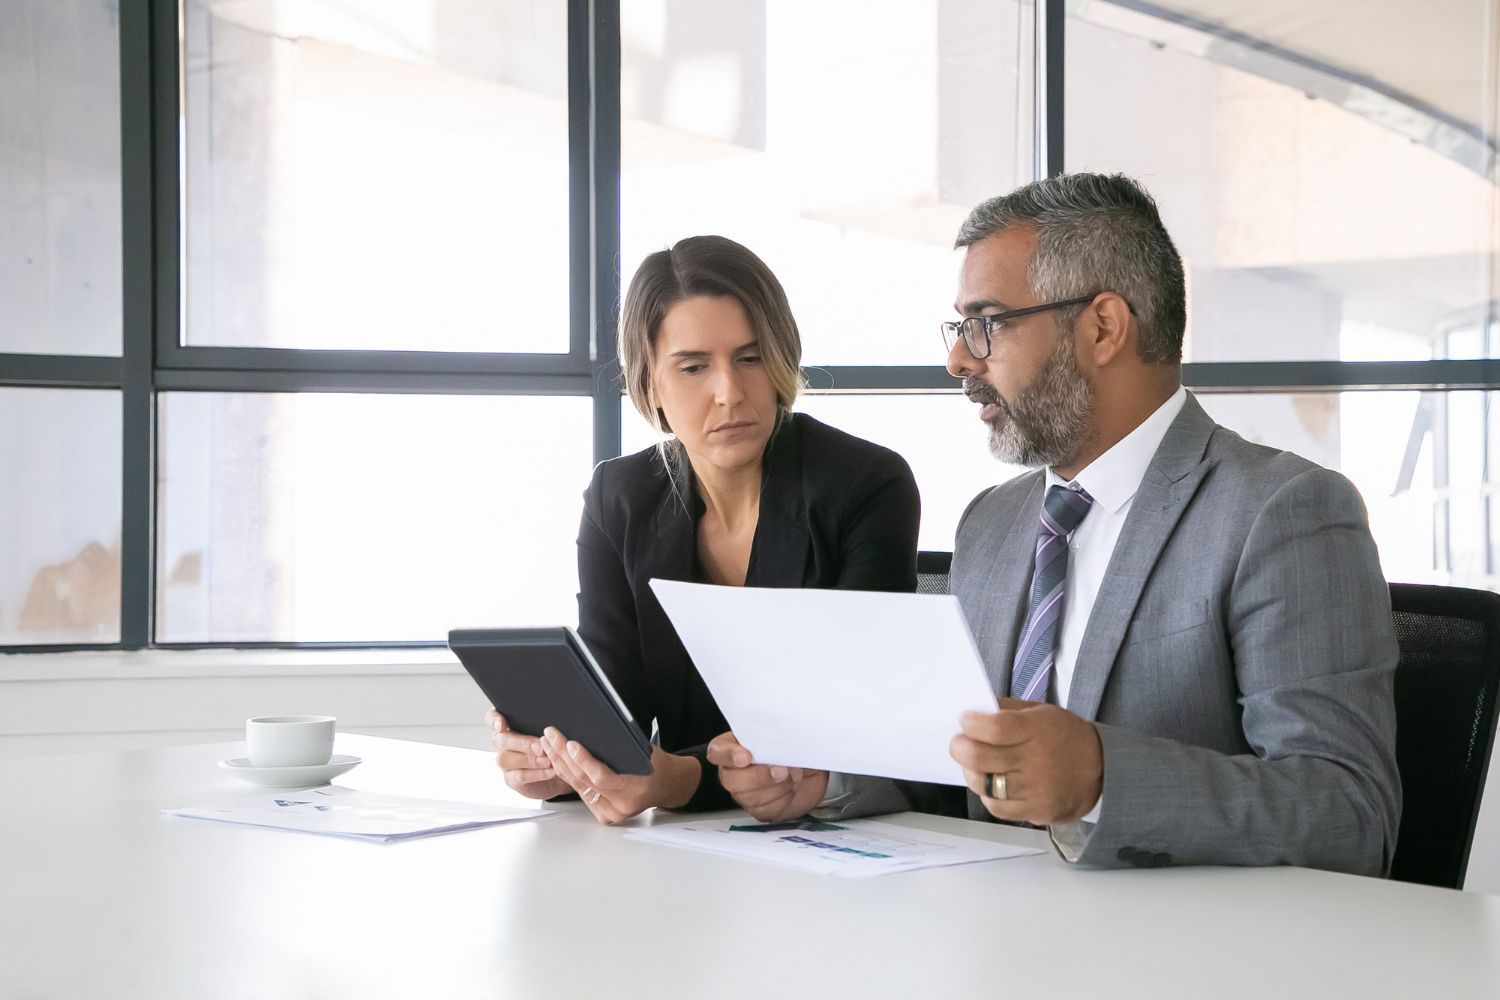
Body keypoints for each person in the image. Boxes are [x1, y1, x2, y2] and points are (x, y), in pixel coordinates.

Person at [712, 173, 1401, 875]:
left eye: (987, 323)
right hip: (994, 940)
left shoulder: (1281, 511)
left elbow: (1349, 813)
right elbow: (960, 771)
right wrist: (825, 781)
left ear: (1103, 327)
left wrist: (1103, 778)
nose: (958, 359)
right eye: (960, 327)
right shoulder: (993, 521)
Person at [484, 234, 922, 824]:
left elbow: (845, 731)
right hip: (686, 852)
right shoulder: (621, 499)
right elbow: (615, 719)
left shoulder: (867, 484)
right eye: (693, 367)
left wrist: (679, 779)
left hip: (840, 837)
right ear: (650, 385)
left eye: (749, 358)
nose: (730, 392)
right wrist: (554, 764)